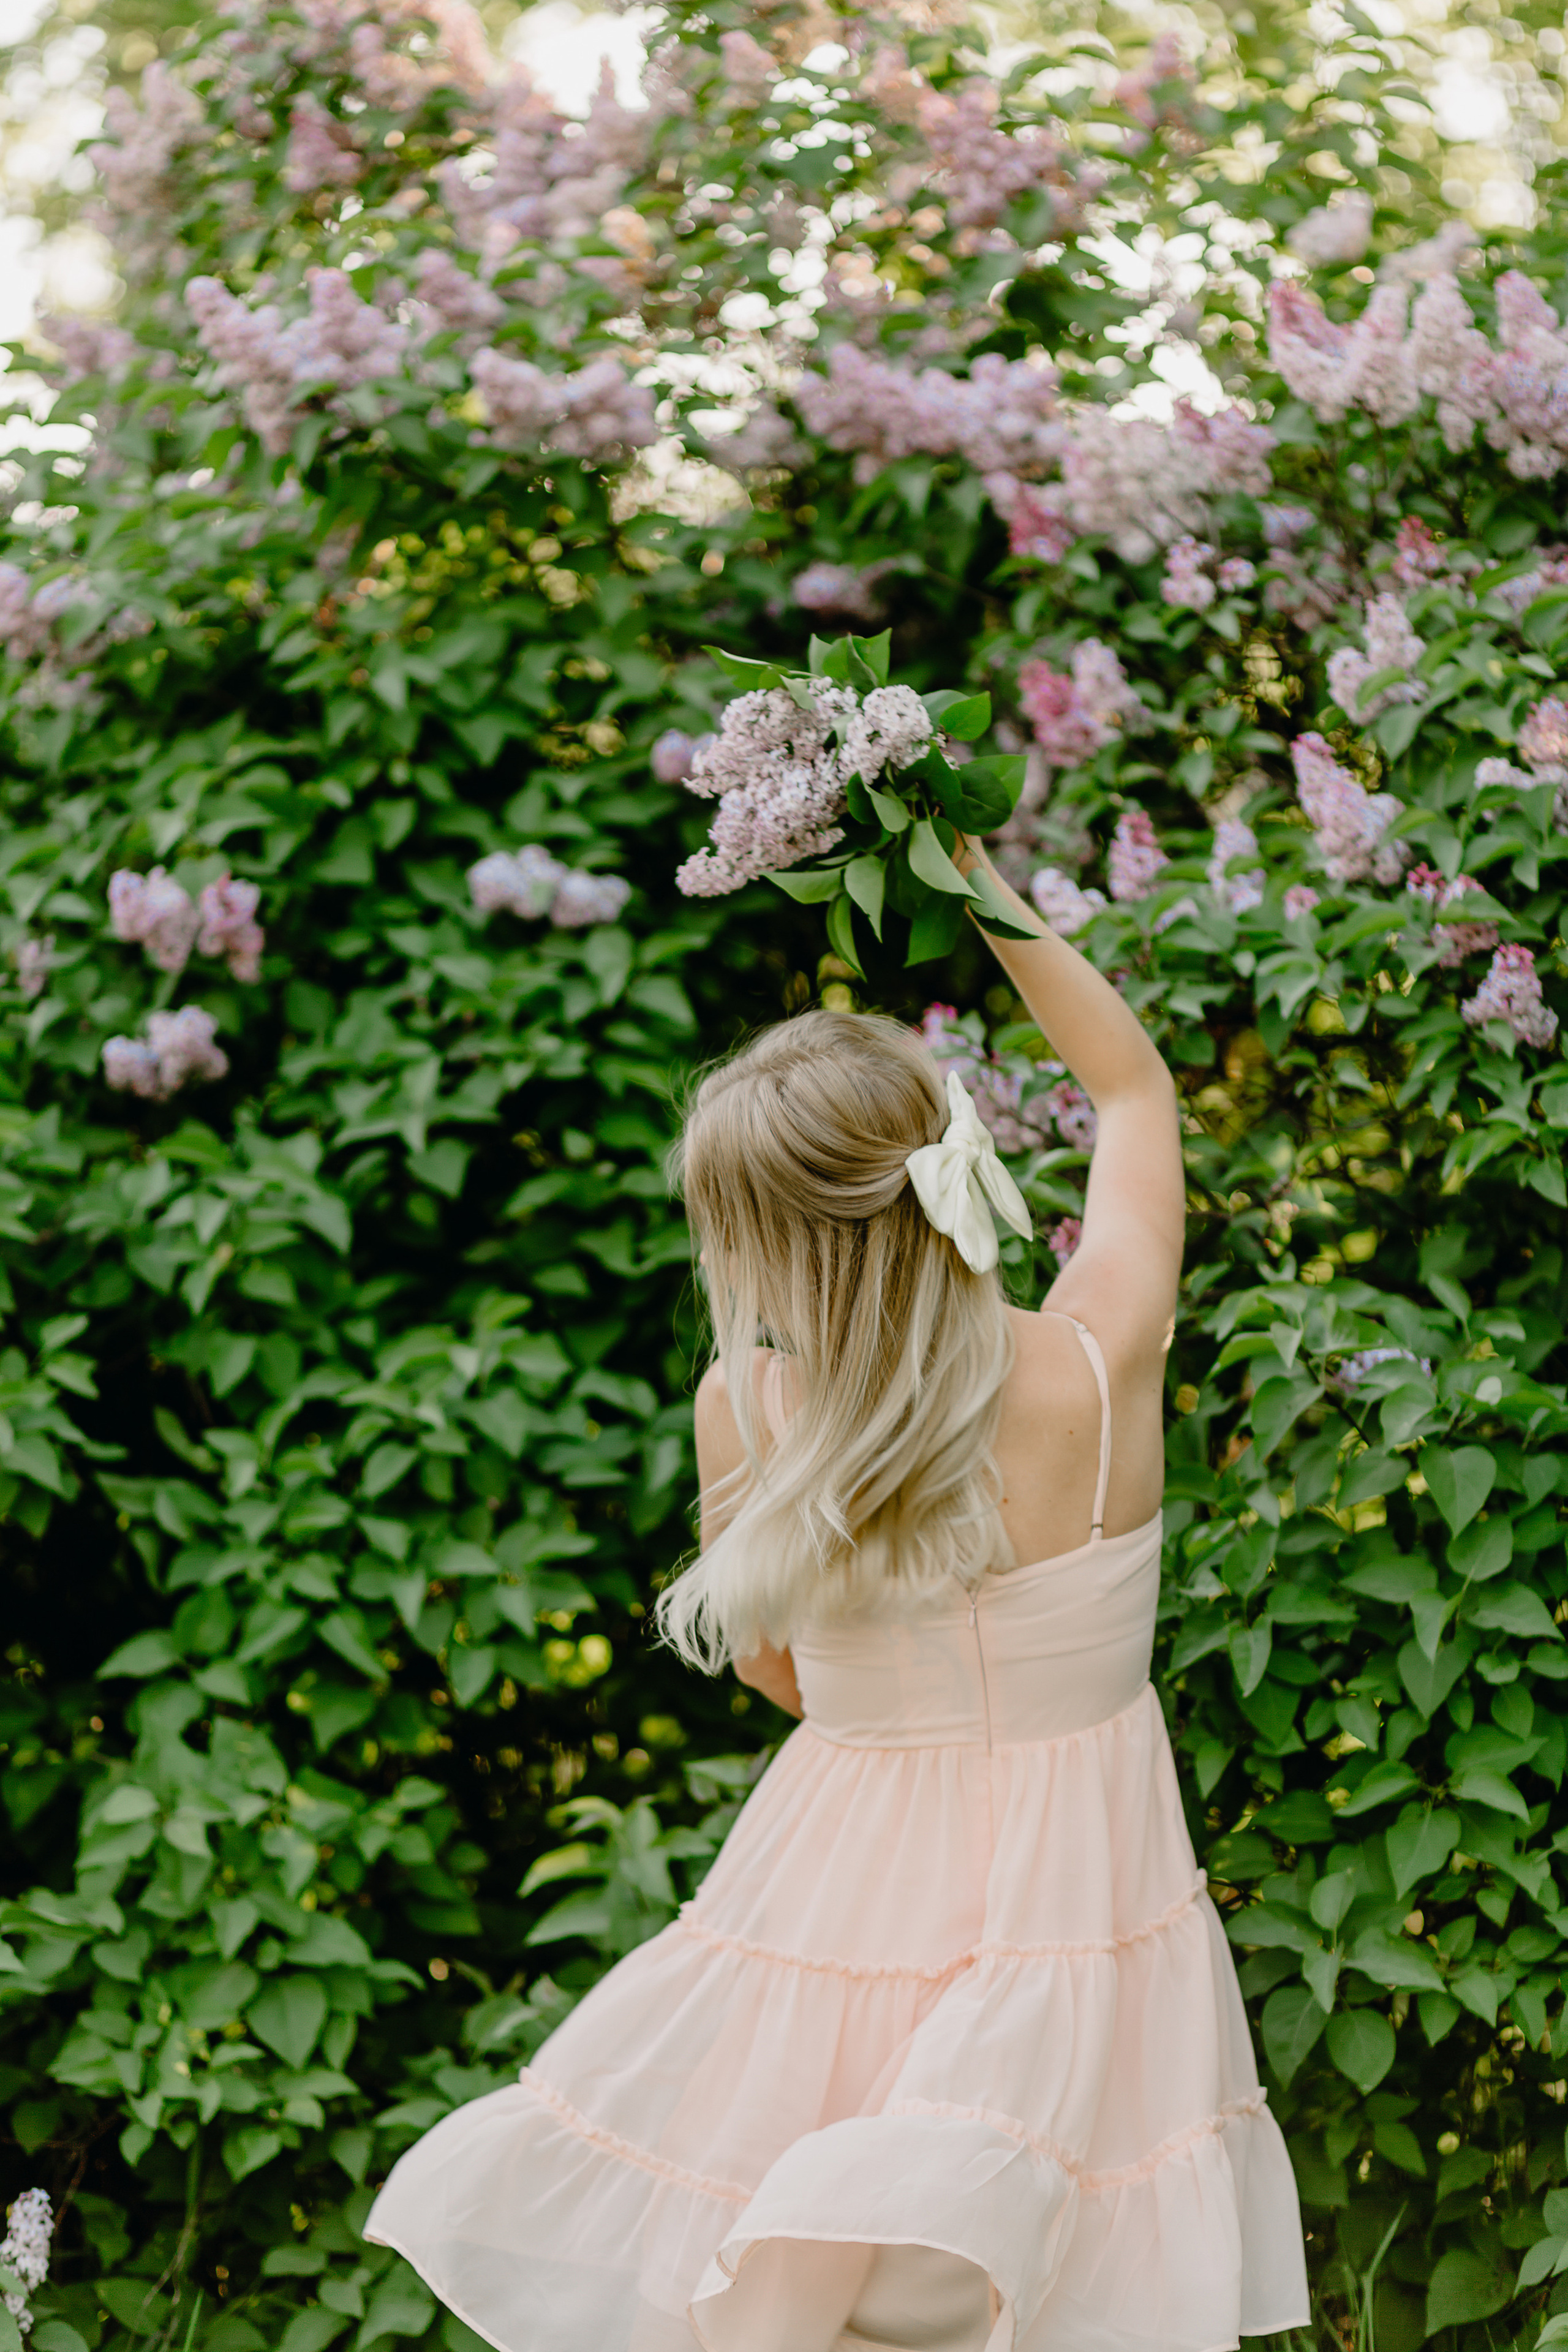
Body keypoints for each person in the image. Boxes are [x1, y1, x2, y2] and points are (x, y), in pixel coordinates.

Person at [365, 839, 1308, 2352]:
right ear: (951, 1164)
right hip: (1077, 1889)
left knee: (816, 2260)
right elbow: (1132, 1092)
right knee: (1026, 2248)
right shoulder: (1087, 1360)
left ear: (748, 1248)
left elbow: (783, 1678)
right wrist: (960, 863)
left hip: (837, 1882)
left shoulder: (742, 1412)